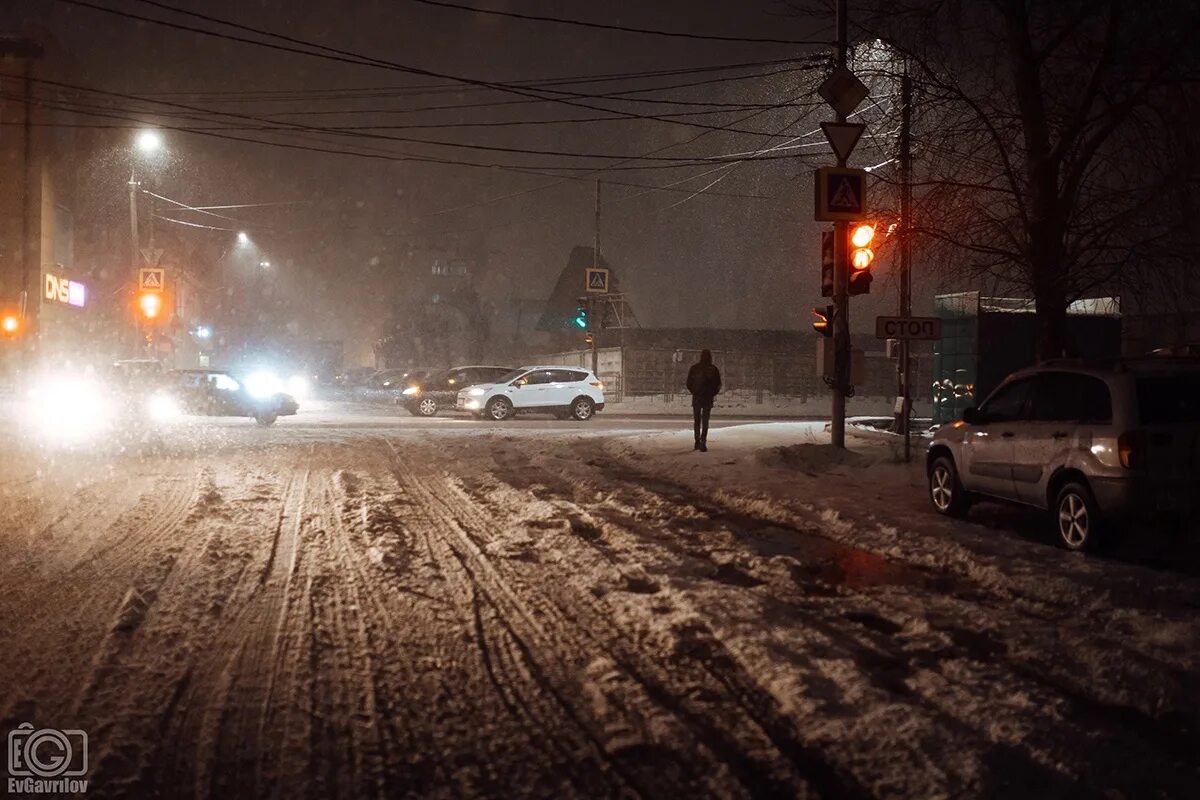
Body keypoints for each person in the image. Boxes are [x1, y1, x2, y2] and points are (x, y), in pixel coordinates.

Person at [686, 349, 722, 452]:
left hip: (697, 397)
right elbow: (718, 384)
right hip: (707, 398)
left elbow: (689, 383)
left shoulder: (695, 368)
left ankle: (697, 441)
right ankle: (703, 442)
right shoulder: (714, 369)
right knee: (705, 421)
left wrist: (694, 391)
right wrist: (711, 393)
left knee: (697, 420)